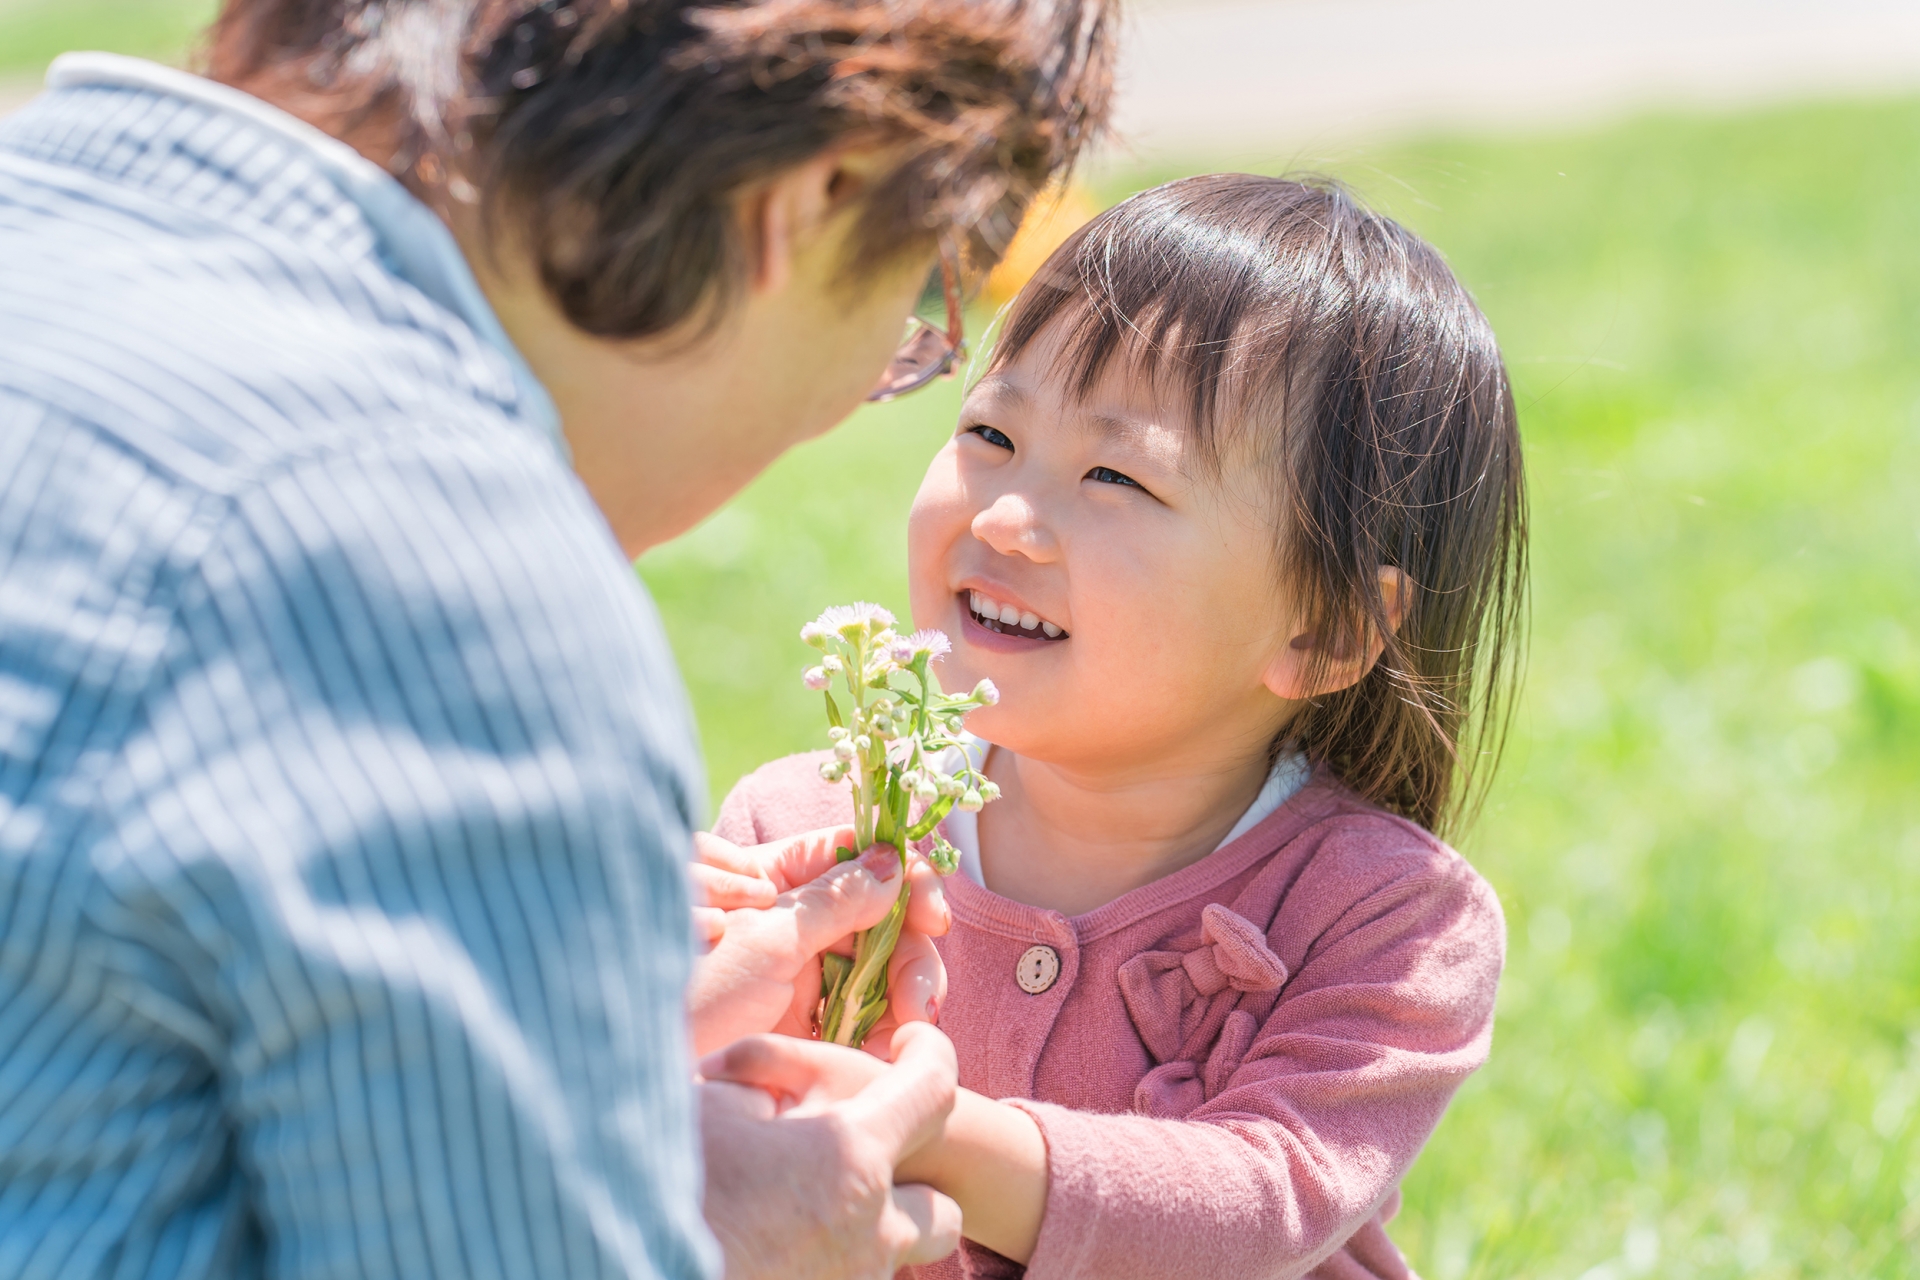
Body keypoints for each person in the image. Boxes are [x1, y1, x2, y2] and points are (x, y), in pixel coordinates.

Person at [0, 3, 1114, 1278]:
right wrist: (718, 1244)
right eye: (921, 304)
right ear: (812, 200)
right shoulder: (455, 580)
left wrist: (575, 1080)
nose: (880, 377)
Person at [700, 174, 1526, 1278]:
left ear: (1326, 628)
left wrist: (946, 1137)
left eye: (1113, 474)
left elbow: (1265, 1194)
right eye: (989, 430)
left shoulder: (1386, 912)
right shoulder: (803, 829)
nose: (1003, 514)